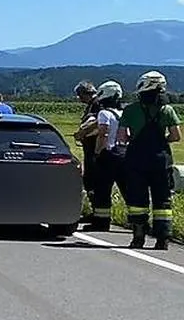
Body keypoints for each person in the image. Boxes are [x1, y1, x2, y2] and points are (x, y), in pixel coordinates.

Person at [118, 70, 180, 250]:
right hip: (161, 160)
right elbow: (176, 136)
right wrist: (161, 140)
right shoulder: (167, 110)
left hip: (137, 159)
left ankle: (138, 237)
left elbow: (122, 138)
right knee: (162, 201)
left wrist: (134, 139)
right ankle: (163, 239)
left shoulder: (131, 110)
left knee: (138, 199)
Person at [85, 80, 127, 232]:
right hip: (123, 155)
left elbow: (103, 133)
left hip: (108, 155)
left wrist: (97, 153)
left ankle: (101, 223)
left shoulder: (104, 113)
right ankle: (138, 222)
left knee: (102, 190)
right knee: (127, 189)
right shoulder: (123, 113)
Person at [73, 81, 101, 218]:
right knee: (89, 179)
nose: (79, 98)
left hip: (94, 149)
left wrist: (82, 133)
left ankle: (98, 210)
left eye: (80, 95)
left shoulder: (96, 105)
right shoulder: (92, 105)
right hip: (90, 148)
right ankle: (95, 209)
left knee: (92, 179)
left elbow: (96, 124)